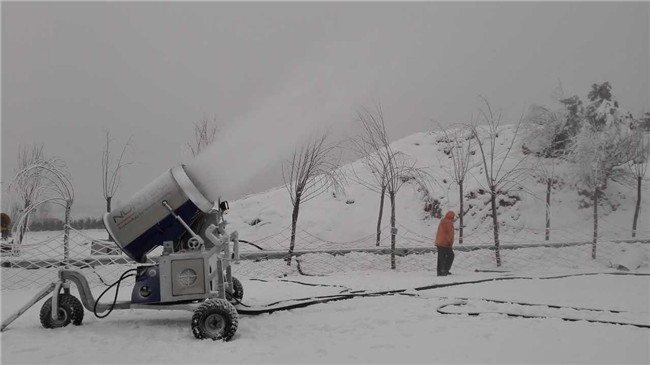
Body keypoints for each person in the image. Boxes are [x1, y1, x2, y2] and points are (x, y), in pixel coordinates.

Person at [434, 211, 455, 276]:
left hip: (440, 242)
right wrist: (449, 242)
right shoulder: (448, 222)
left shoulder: (443, 221)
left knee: (441, 257)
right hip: (444, 243)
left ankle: (439, 271)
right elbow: (449, 233)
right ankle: (444, 270)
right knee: (450, 256)